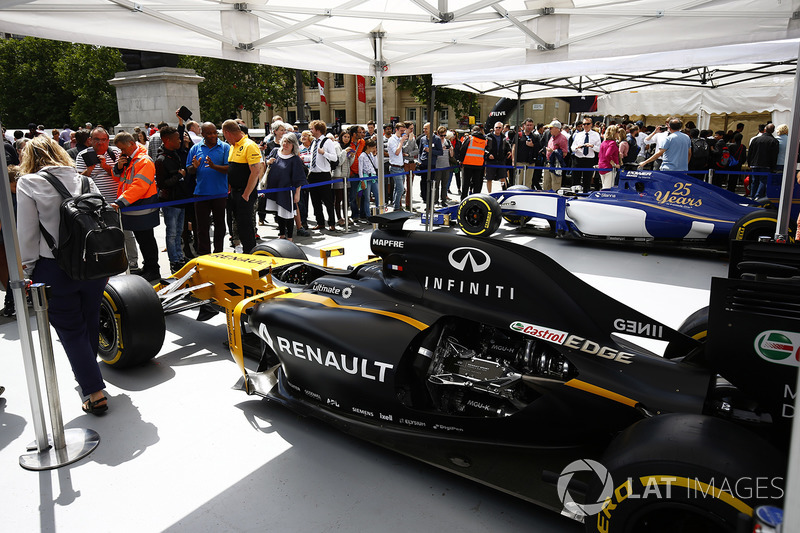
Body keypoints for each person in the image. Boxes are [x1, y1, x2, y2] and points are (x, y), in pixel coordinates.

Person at [16, 136, 109, 414]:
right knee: (89, 319)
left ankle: (94, 390)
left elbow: (27, 233)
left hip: (54, 266)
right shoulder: (84, 181)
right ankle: (89, 374)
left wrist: (27, 270)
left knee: (70, 329)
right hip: (93, 264)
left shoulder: (28, 183)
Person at [112, 132, 161, 281]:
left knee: (147, 241)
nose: (122, 152)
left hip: (142, 209)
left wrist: (120, 202)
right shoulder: (132, 160)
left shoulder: (143, 161)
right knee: (143, 241)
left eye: (123, 149)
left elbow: (139, 186)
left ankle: (153, 270)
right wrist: (119, 167)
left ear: (131, 144)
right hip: (135, 208)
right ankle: (148, 267)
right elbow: (121, 179)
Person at [186, 122, 230, 255]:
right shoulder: (195, 148)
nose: (213, 135)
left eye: (214, 132)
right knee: (201, 227)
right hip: (201, 193)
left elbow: (229, 168)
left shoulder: (225, 147)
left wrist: (214, 166)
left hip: (219, 193)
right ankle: (204, 253)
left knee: (220, 225)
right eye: (209, 133)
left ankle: (218, 252)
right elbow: (189, 170)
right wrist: (194, 166)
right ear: (202, 134)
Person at [222, 119, 264, 254]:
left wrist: (246, 194)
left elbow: (255, 171)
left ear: (227, 133)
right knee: (238, 225)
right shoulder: (233, 146)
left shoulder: (249, 145)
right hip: (234, 192)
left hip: (244, 193)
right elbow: (232, 169)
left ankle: (250, 252)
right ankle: (244, 250)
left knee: (246, 226)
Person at [154, 126, 191, 273]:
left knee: (179, 231)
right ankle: (174, 261)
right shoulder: (161, 159)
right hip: (170, 201)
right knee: (172, 233)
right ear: (167, 140)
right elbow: (162, 184)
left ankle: (179, 257)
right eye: (177, 139)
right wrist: (179, 176)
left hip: (180, 198)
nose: (180, 140)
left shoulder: (175, 154)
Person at [264, 134, 307, 241]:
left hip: (287, 191)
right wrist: (268, 162)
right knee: (279, 212)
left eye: (289, 142)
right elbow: (265, 163)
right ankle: (282, 234)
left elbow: (299, 178)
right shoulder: (275, 152)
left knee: (287, 213)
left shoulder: (295, 159)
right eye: (284, 141)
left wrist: (297, 194)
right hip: (275, 188)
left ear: (293, 145)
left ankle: (290, 238)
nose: (285, 144)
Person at [306, 120, 338, 232]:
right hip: (313, 174)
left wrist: (324, 153)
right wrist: (304, 158)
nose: (310, 131)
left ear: (318, 130)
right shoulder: (314, 142)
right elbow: (312, 157)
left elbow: (334, 158)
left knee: (328, 201)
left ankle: (332, 223)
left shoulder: (327, 142)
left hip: (323, 175)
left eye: (312, 129)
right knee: (315, 201)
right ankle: (320, 222)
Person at [747, 123, 779, 199]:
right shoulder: (774, 141)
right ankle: (758, 196)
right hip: (766, 164)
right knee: (763, 181)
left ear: (765, 130)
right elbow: (774, 155)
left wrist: (749, 163)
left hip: (754, 163)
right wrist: (773, 166)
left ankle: (753, 196)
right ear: (773, 131)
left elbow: (750, 152)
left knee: (755, 181)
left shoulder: (755, 139)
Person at [332, 130, 355, 225]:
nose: (346, 139)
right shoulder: (337, 146)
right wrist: (345, 152)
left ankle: (346, 217)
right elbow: (339, 162)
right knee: (339, 198)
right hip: (337, 175)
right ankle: (339, 218)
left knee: (346, 198)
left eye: (348, 137)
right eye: (345, 136)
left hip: (346, 175)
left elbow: (349, 163)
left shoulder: (348, 147)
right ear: (341, 137)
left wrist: (352, 156)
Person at [459, 126, 488, 200]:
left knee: (466, 183)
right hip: (478, 164)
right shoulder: (484, 140)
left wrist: (461, 161)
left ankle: (463, 199)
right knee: (477, 184)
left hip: (468, 163)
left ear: (473, 131)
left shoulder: (470, 138)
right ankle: (476, 199)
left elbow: (463, 149)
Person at [512, 118, 541, 189]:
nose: (529, 127)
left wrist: (532, 145)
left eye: (531, 125)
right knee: (519, 182)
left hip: (530, 162)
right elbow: (514, 147)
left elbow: (538, 148)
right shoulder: (518, 135)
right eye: (528, 125)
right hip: (520, 162)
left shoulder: (535, 136)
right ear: (524, 125)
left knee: (528, 182)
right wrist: (513, 160)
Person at [357, 139, 380, 221]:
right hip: (366, 178)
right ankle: (368, 215)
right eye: (373, 147)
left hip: (373, 177)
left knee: (377, 195)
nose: (374, 149)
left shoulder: (371, 155)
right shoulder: (362, 156)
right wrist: (362, 180)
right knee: (367, 197)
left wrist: (375, 155)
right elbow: (360, 170)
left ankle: (378, 212)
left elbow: (376, 166)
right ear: (368, 147)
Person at [387, 122, 408, 211]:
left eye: (404, 131)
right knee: (400, 188)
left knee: (397, 188)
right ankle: (396, 207)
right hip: (395, 167)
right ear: (396, 130)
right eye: (401, 131)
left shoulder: (399, 139)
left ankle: (396, 206)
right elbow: (396, 152)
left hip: (401, 166)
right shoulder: (392, 140)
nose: (403, 132)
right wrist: (402, 141)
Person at [543, 121, 568, 191]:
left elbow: (565, 153)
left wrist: (553, 151)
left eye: (551, 128)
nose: (549, 130)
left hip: (556, 164)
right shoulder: (551, 137)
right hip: (548, 163)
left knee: (555, 185)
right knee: (546, 184)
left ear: (557, 128)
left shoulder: (562, 139)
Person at [433, 126, 453, 205]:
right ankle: (435, 200)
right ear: (438, 134)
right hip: (437, 166)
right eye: (441, 135)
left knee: (444, 185)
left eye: (444, 135)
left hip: (446, 165)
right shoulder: (435, 141)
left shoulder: (447, 141)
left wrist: (451, 150)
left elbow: (451, 155)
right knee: (436, 185)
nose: (443, 137)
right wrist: (441, 150)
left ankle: (443, 200)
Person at [401, 122, 418, 210]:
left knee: (410, 185)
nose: (412, 130)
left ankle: (408, 204)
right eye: (410, 128)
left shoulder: (413, 137)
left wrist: (409, 154)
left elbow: (417, 150)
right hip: (404, 163)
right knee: (401, 185)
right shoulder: (402, 137)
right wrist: (410, 141)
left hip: (411, 162)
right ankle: (399, 205)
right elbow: (404, 149)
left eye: (412, 128)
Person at [598, 125, 620, 189]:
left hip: (601, 166)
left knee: (604, 185)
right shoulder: (612, 143)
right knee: (608, 187)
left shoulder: (603, 142)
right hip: (609, 167)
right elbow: (607, 155)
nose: (618, 133)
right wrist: (614, 164)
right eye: (617, 132)